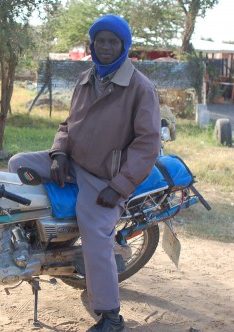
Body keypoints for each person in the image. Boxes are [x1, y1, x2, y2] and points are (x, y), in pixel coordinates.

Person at [8, 14, 160, 332]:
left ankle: (110, 316)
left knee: (95, 237)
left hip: (104, 176)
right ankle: (47, 241)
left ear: (124, 46)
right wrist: (59, 153)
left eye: (112, 41)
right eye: (99, 40)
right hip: (72, 163)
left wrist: (119, 186)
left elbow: (147, 145)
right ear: (91, 45)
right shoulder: (86, 78)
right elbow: (69, 124)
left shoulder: (140, 88)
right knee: (17, 164)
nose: (104, 47)